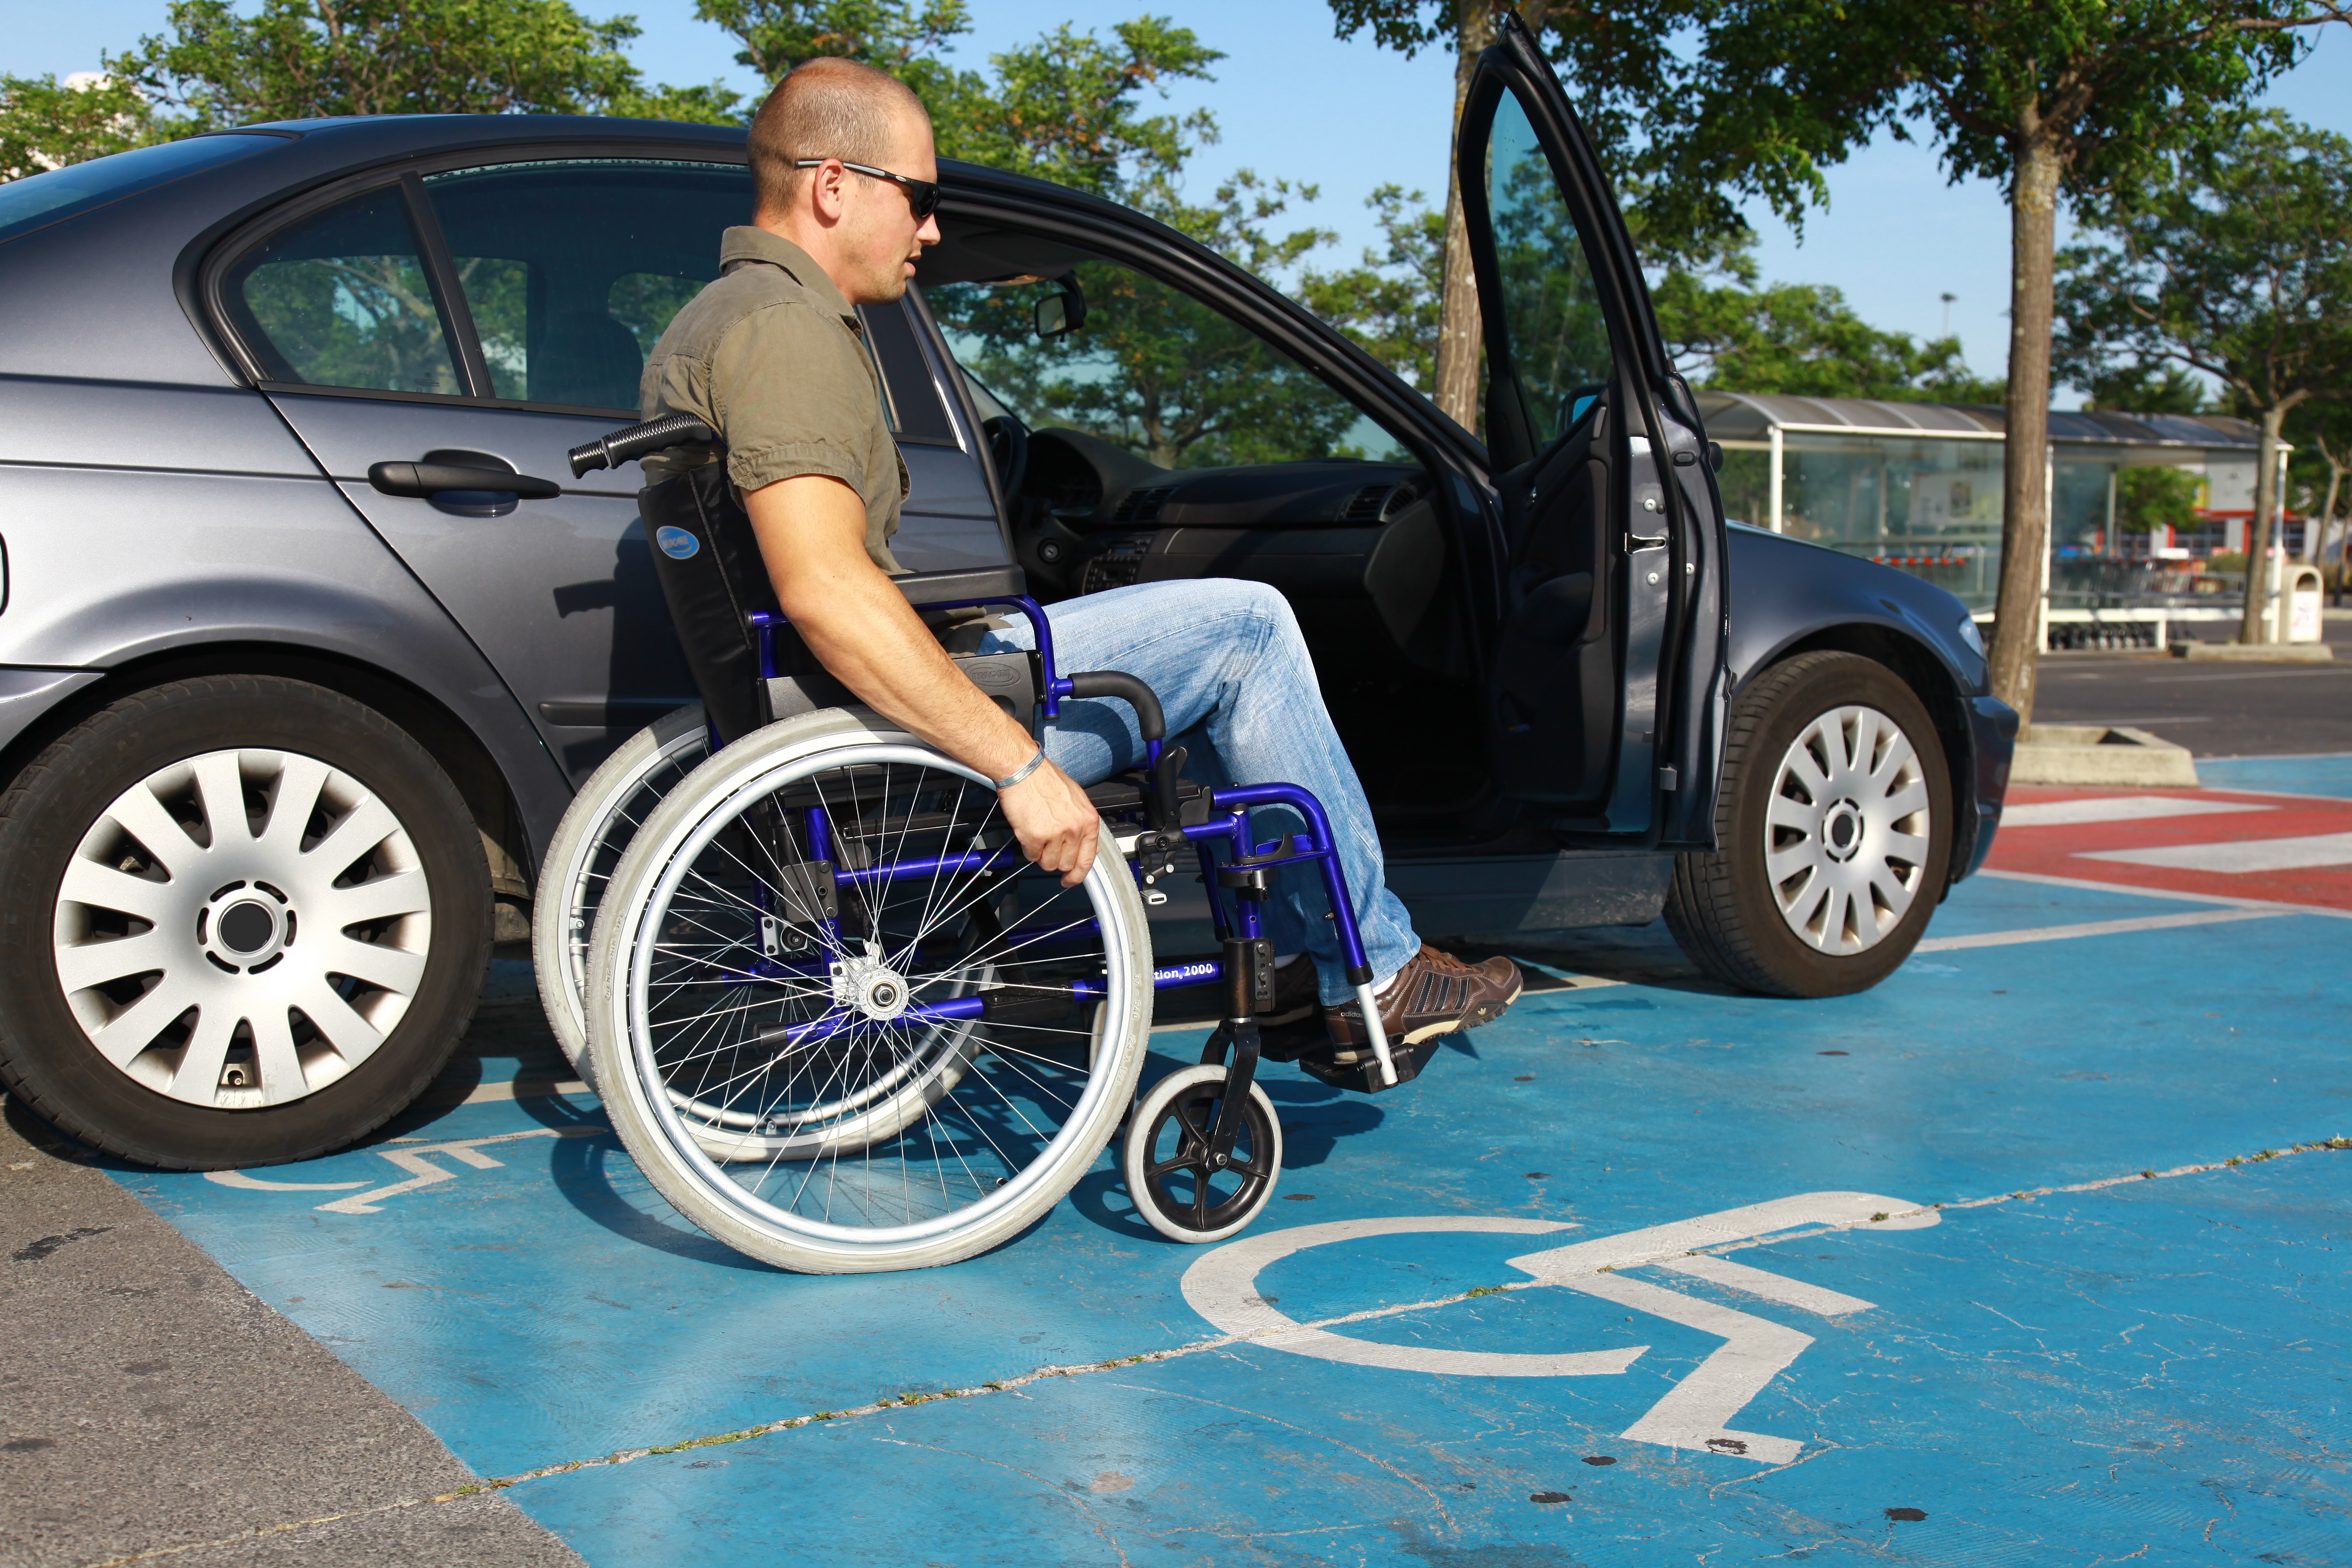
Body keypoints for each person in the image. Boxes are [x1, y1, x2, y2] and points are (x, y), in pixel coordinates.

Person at [637, 57, 1520, 1074]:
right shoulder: (788, 332)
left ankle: (1323, 962)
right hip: (883, 727)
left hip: (831, 700)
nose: (930, 230)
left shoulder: (719, 315)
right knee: (1249, 626)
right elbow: (827, 590)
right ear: (833, 185)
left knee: (1177, 626)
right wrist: (1021, 768)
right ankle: (1372, 972)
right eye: (920, 199)